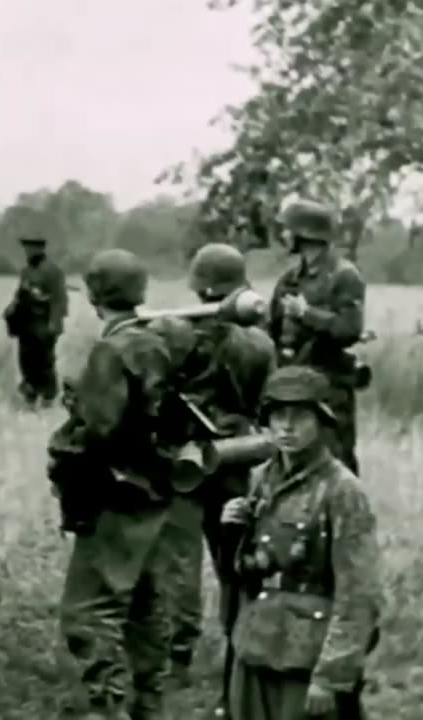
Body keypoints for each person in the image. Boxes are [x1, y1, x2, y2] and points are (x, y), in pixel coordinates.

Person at [48, 248, 177, 720]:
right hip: (152, 492)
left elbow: (99, 434)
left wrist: (73, 427)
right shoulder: (155, 343)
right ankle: (149, 706)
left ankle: (101, 709)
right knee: (144, 608)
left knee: (88, 613)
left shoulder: (112, 350)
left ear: (97, 296)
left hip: (114, 496)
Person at [152, 243, 277, 717]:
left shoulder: (174, 334)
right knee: (235, 559)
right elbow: (270, 403)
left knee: (180, 563)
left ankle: (179, 657)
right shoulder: (259, 343)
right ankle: (241, 643)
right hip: (236, 459)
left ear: (199, 283)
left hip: (185, 462)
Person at [219, 366, 381, 720]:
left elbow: (359, 594)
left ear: (321, 422)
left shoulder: (342, 490)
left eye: (299, 416)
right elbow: (248, 572)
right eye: (278, 416)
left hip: (307, 658)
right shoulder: (261, 479)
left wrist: (331, 676)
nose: (286, 427)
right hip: (255, 644)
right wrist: (234, 533)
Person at [267, 199, 366, 474]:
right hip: (290, 386)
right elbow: (271, 330)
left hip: (328, 388)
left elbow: (349, 329)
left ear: (305, 234)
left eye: (288, 230)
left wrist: (306, 313)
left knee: (336, 462)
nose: (284, 236)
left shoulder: (344, 276)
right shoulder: (289, 280)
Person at [5, 235, 68, 406]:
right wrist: (12, 310)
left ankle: (48, 397)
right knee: (26, 361)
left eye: (32, 248)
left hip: (44, 323)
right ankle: (30, 396)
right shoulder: (26, 271)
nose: (28, 251)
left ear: (41, 249)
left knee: (44, 362)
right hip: (27, 324)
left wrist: (54, 324)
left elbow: (59, 300)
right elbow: (19, 296)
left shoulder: (53, 271)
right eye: (26, 248)